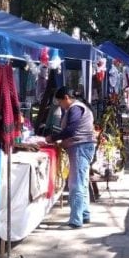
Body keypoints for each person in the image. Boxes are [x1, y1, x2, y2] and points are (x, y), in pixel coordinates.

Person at [47, 87, 96, 229]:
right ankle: (84, 214)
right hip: (82, 146)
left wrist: (53, 138)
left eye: (60, 101)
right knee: (82, 181)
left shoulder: (75, 108)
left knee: (76, 184)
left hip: (80, 147)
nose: (60, 105)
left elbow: (71, 130)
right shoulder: (77, 108)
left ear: (66, 98)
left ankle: (76, 219)